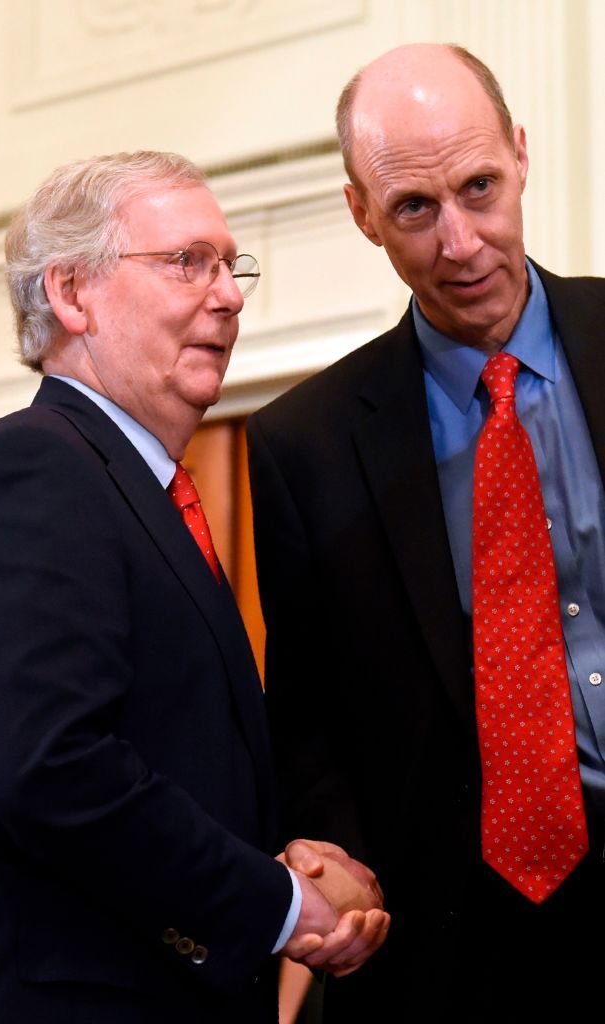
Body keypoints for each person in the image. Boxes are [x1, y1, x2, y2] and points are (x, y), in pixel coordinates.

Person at [0, 151, 389, 1024]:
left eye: (229, 264)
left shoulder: (139, 491)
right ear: (71, 293)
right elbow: (53, 771)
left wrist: (288, 861)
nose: (230, 294)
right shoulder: (31, 468)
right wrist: (279, 904)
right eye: (187, 261)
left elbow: (176, 762)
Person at [247, 44, 605, 1021]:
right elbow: (309, 723)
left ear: (521, 156)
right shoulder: (303, 447)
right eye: (415, 208)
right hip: (453, 952)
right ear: (363, 212)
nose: (460, 241)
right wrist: (337, 866)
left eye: (479, 188)